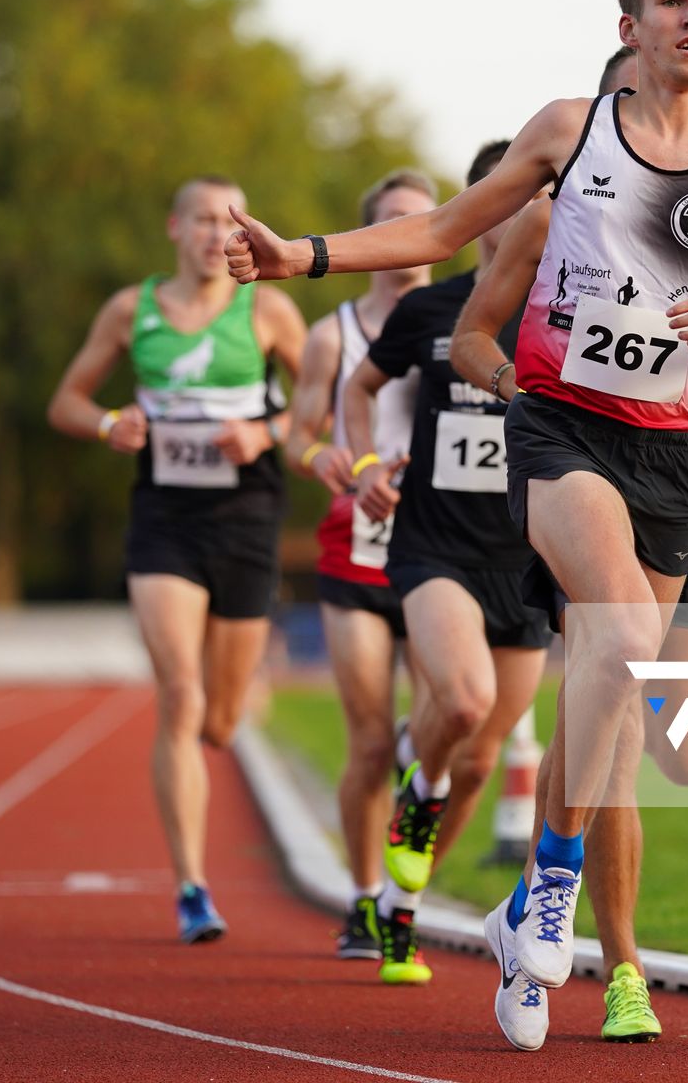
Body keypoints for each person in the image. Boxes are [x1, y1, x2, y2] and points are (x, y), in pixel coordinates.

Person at [226, 0, 688, 1051]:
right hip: (563, 427)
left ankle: (534, 887)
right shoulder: (567, 131)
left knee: (652, 715)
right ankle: (555, 891)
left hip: (679, 450)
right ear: (628, 24)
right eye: (673, 0)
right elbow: (442, 228)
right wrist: (300, 254)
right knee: (622, 633)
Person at [448, 45, 688, 1048]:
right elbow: (475, 334)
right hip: (578, 463)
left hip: (687, 484)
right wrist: (524, 393)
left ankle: (532, 902)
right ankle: (614, 958)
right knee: (619, 710)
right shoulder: (554, 213)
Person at [48, 175, 306, 944]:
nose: (213, 235)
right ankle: (192, 886)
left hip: (248, 518)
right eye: (200, 220)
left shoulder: (268, 309)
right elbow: (66, 401)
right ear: (174, 228)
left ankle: (225, 714)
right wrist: (108, 426)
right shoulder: (133, 310)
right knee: (180, 695)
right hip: (164, 519)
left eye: (228, 223)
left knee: (221, 722)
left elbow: (322, 404)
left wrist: (265, 432)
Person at [339, 141, 552, 986]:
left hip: (526, 558)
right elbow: (358, 391)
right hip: (434, 549)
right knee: (462, 701)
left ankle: (401, 910)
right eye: (512, 197)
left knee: (477, 761)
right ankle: (412, 784)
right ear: (482, 208)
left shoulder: (564, 317)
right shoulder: (431, 314)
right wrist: (362, 468)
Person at [279, 169, 433, 960]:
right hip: (357, 552)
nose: (409, 232)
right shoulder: (333, 334)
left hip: (444, 550)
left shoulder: (471, 315)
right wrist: (324, 459)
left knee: (447, 734)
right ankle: (366, 900)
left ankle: (408, 871)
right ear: (372, 238)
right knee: (369, 742)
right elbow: (296, 432)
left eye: (422, 218)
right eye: (393, 220)